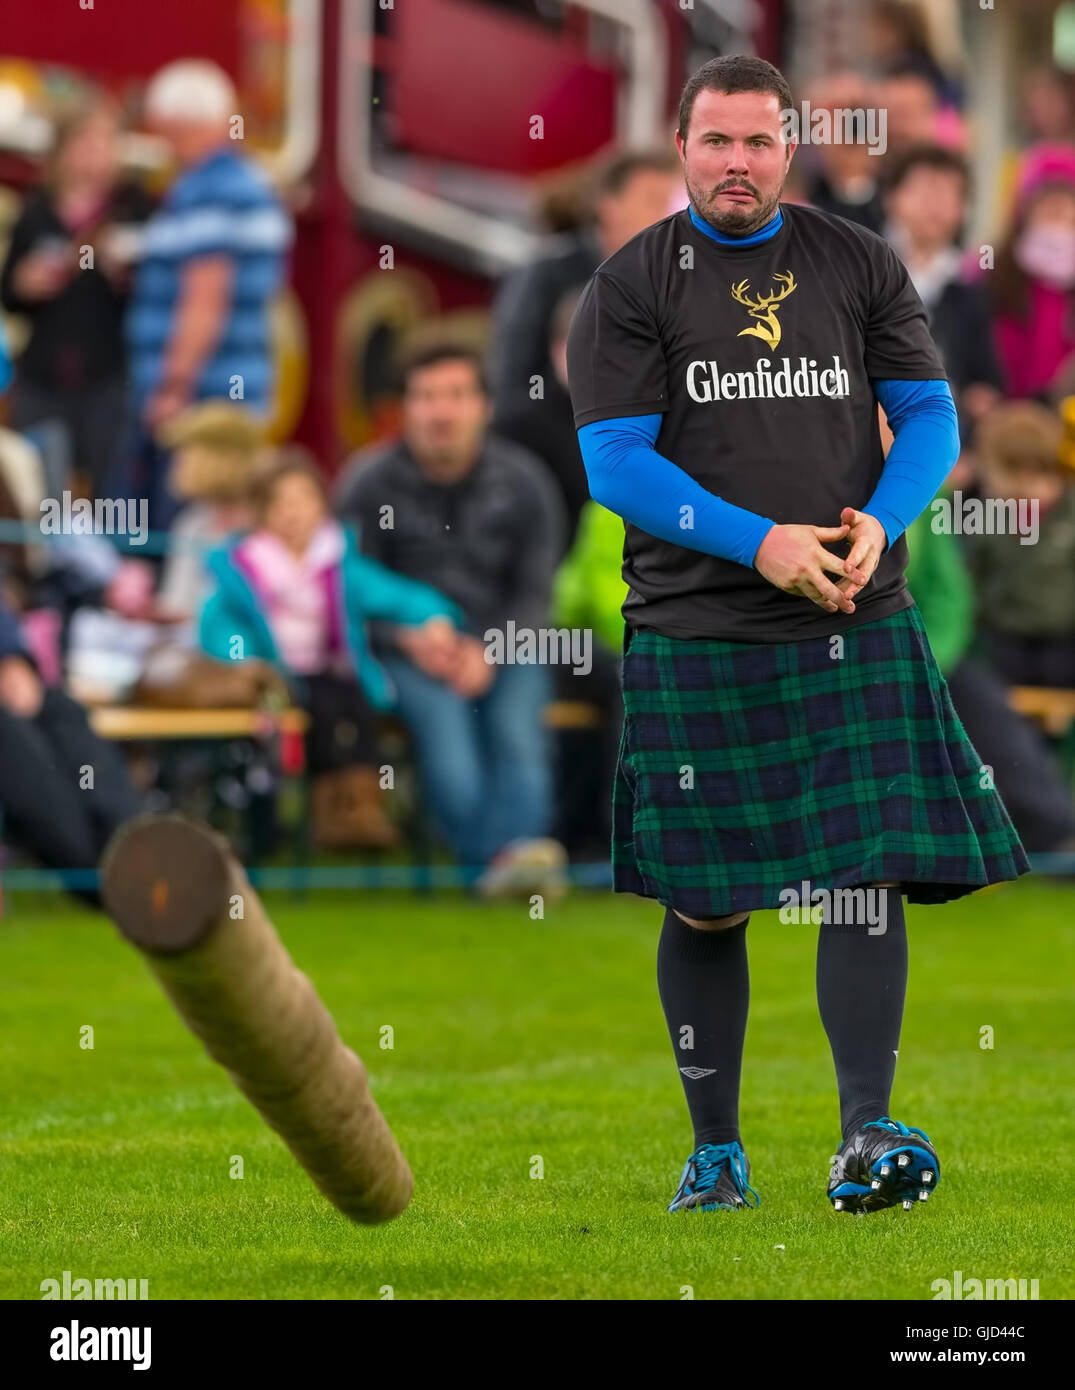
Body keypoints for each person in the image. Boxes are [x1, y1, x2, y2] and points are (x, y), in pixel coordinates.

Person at [566, 55, 1028, 1218]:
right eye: (715, 142)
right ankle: (714, 1153)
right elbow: (615, 460)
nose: (737, 164)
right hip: (699, 623)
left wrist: (884, 518)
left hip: (852, 613)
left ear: (791, 144)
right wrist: (757, 541)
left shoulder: (855, 259)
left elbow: (923, 413)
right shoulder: (630, 283)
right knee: (705, 896)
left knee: (864, 877)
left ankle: (864, 1132)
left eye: (759, 142)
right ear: (681, 146)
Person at [336, 343, 569, 896]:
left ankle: (504, 867)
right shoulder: (366, 485)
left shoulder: (526, 483)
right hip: (405, 654)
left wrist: (489, 649)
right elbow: (342, 591)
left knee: (518, 736)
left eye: (457, 396)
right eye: (426, 397)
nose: (442, 412)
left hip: (508, 646)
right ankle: (500, 869)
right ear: (404, 409)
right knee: (450, 748)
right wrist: (407, 639)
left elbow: (537, 592)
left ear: (484, 407)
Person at [199, 447, 463, 851]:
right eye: (280, 504)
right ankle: (329, 812)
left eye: (303, 501)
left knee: (357, 705)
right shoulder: (247, 567)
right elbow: (219, 624)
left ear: (322, 505)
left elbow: (395, 594)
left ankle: (363, 807)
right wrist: (243, 661)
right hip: (280, 676)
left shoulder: (338, 562)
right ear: (262, 512)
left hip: (334, 668)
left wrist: (433, 617)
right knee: (319, 712)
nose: (293, 514)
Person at [122, 60, 292, 532]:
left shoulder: (206, 192)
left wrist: (173, 386)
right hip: (239, 388)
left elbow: (205, 300)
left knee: (190, 527)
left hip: (202, 401)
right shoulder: (252, 183)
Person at [489, 149, 681, 551]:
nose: (667, 213)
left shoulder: (681, 281)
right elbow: (511, 386)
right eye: (652, 199)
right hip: (558, 465)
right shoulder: (546, 276)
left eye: (673, 201)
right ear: (608, 207)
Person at [0, 93, 153, 497]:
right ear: (61, 150)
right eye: (84, 142)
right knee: (34, 486)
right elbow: (8, 296)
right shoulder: (36, 212)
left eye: (105, 142)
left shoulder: (136, 208)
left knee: (115, 492)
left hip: (110, 374)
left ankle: (117, 560)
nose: (94, 154)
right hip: (42, 374)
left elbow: (158, 297)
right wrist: (23, 284)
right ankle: (40, 559)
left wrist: (126, 278)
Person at [0, 590, 143, 905]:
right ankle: (98, 880)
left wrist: (14, 663)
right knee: (19, 749)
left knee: (64, 711)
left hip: (19, 693)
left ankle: (132, 846)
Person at [882, 144, 1004, 433]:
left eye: (949, 194)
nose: (935, 205)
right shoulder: (861, 265)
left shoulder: (973, 284)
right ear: (892, 197)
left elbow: (984, 379)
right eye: (925, 190)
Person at [962, 400, 1075, 689]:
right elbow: (972, 574)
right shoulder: (987, 515)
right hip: (1004, 640)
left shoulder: (1068, 513)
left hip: (1062, 641)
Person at [987, 144, 1075, 400]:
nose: (1058, 213)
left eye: (1067, 203)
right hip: (1002, 414)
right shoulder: (990, 269)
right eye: (1048, 203)